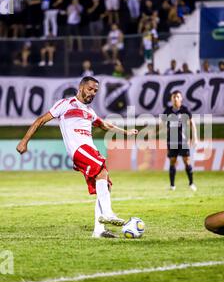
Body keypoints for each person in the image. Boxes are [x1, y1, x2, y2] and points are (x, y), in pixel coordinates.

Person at [16, 76, 138, 239]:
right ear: (80, 88)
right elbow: (40, 120)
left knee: (105, 184)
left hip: (88, 149)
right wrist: (24, 141)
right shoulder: (65, 104)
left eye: (95, 91)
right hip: (78, 148)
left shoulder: (90, 112)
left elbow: (105, 125)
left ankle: (99, 230)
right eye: (90, 89)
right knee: (102, 172)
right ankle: (108, 213)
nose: (93, 93)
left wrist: (126, 132)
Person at [158, 90, 198, 191]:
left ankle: (191, 183)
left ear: (181, 98)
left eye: (177, 97)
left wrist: (195, 137)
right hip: (171, 141)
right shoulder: (167, 111)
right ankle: (172, 185)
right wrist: (156, 133)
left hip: (183, 140)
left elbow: (192, 123)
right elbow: (162, 125)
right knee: (172, 161)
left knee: (187, 161)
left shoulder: (185, 110)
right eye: (173, 97)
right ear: (171, 99)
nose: (175, 99)